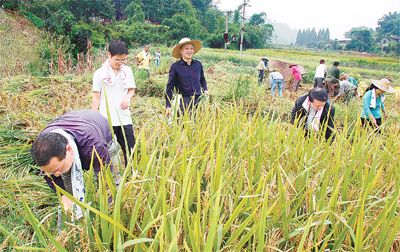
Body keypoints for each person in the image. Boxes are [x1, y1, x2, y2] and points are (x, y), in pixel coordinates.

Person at [31, 110, 119, 215]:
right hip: (73, 128)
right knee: (68, 188)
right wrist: (64, 196)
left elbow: (106, 179)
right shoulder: (41, 151)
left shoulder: (94, 145)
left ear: (69, 150)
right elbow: (51, 177)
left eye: (58, 169)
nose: (57, 174)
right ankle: (78, 216)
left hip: (101, 129)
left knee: (111, 182)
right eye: (52, 172)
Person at [92, 40, 136, 166]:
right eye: (117, 60)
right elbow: (96, 97)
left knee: (130, 150)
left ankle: (131, 176)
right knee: (108, 151)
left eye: (123, 60)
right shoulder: (100, 74)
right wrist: (94, 119)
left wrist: (128, 97)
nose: (120, 63)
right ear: (109, 55)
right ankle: (111, 177)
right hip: (107, 119)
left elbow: (131, 90)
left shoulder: (127, 71)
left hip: (124, 118)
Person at [165, 37, 209, 117]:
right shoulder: (175, 67)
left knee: (199, 124)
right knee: (182, 125)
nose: (190, 51)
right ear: (181, 51)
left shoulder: (198, 64)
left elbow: (202, 79)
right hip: (183, 101)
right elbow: (170, 87)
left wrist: (205, 89)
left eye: (191, 49)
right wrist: (168, 105)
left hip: (198, 100)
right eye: (186, 49)